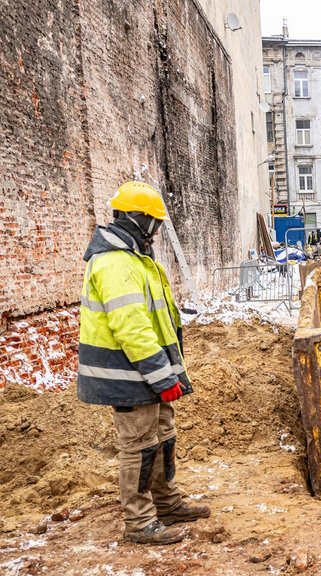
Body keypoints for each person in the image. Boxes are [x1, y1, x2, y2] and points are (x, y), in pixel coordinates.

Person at [78, 181, 210, 545]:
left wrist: (169, 373)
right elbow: (132, 328)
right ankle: (139, 522)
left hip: (149, 373)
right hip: (128, 374)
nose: (157, 231)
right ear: (138, 220)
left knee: (163, 435)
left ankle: (167, 503)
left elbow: (160, 320)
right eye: (154, 223)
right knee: (139, 445)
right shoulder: (115, 264)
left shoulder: (136, 259)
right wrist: (160, 374)